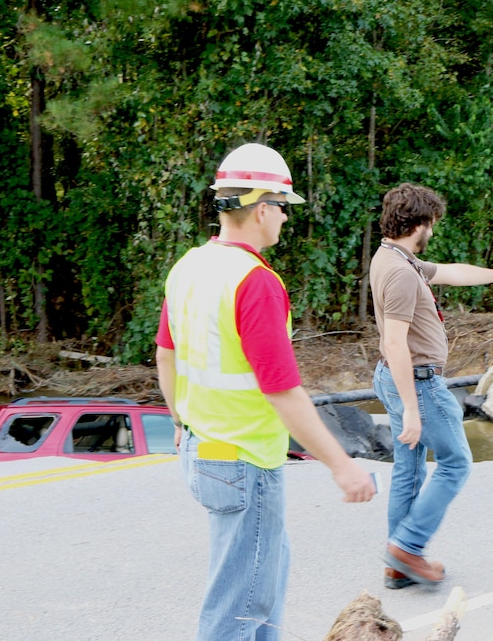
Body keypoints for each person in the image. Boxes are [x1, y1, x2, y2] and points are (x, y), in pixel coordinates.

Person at [155, 143, 376, 641]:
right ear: (260, 208)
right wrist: (342, 466)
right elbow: (281, 390)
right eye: (282, 208)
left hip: (203, 451)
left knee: (262, 578)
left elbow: (166, 358)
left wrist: (179, 422)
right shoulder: (255, 282)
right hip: (245, 462)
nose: (283, 220)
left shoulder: (189, 266)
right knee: (237, 607)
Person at [370, 183, 493, 588]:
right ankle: (407, 547)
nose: (434, 233)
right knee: (456, 462)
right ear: (420, 223)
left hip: (393, 378)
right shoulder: (401, 273)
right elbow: (395, 341)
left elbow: (451, 272)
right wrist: (412, 407)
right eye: (432, 224)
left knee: (408, 470)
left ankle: (400, 562)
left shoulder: (392, 257)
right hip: (418, 383)